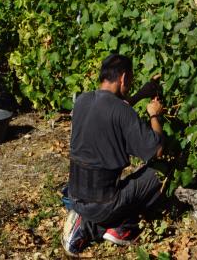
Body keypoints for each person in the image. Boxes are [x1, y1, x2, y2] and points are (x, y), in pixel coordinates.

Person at [62, 54, 164, 256]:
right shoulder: (121, 112)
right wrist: (155, 115)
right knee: (160, 172)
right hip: (104, 205)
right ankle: (107, 226)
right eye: (131, 81)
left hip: (75, 195)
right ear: (124, 78)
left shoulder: (82, 101)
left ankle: (97, 221)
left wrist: (141, 94)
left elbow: (114, 112)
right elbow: (157, 150)